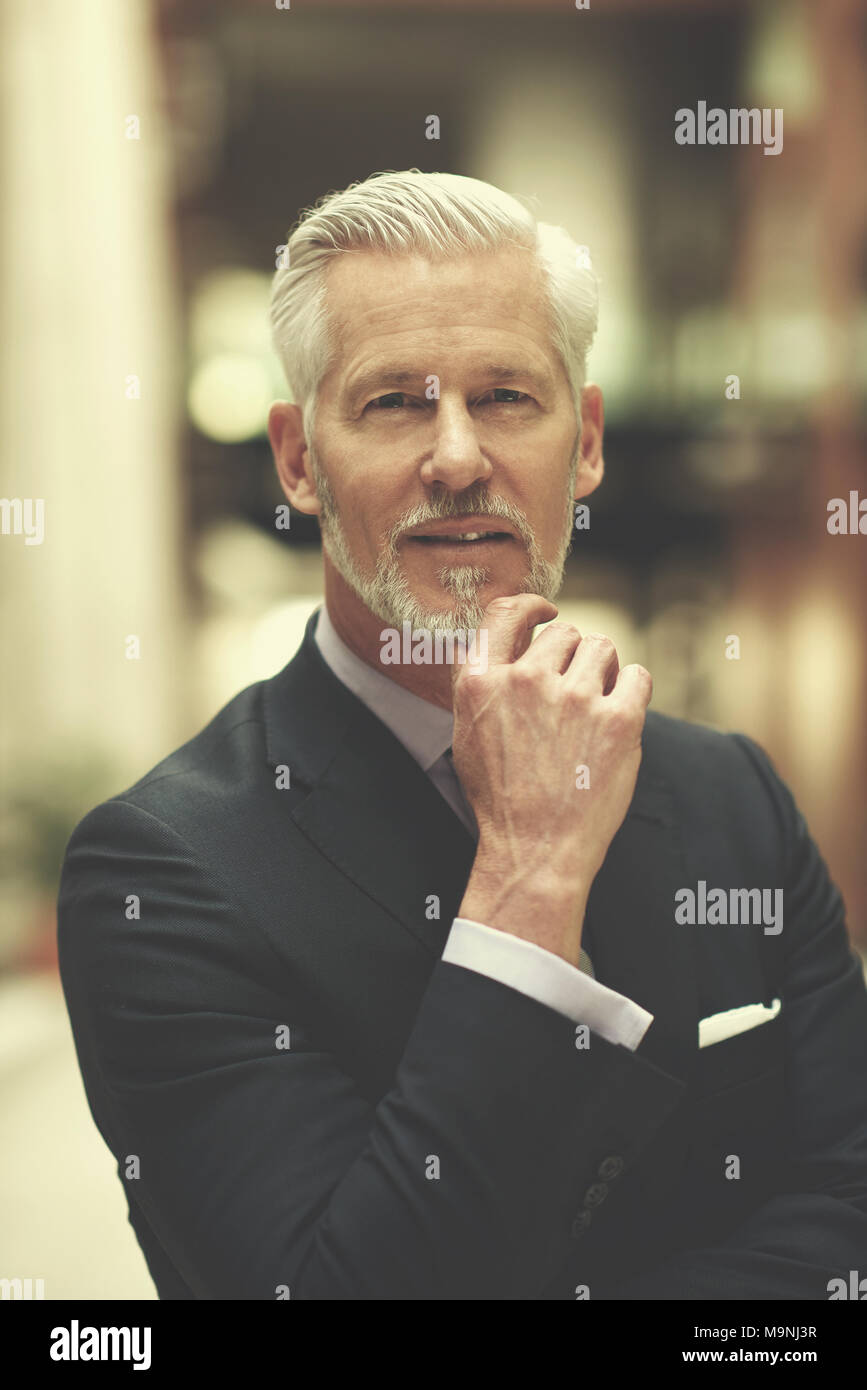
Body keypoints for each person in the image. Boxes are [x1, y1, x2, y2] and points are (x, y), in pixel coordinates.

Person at [58, 169, 867, 1300]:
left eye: (504, 398)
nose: (454, 457)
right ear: (298, 459)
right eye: (394, 401)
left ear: (583, 442)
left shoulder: (735, 797)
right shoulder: (163, 871)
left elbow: (848, 1219)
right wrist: (530, 873)